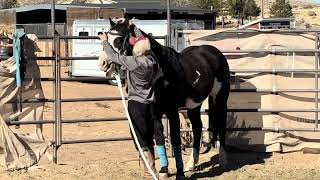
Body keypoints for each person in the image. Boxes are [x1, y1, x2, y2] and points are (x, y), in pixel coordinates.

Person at [98, 24, 169, 179]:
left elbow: (114, 56)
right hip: (150, 104)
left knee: (139, 137)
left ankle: (150, 171)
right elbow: (142, 42)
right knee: (148, 135)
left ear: (136, 50)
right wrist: (132, 27)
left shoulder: (134, 62)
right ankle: (150, 169)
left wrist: (104, 41)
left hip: (136, 105)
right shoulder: (151, 62)